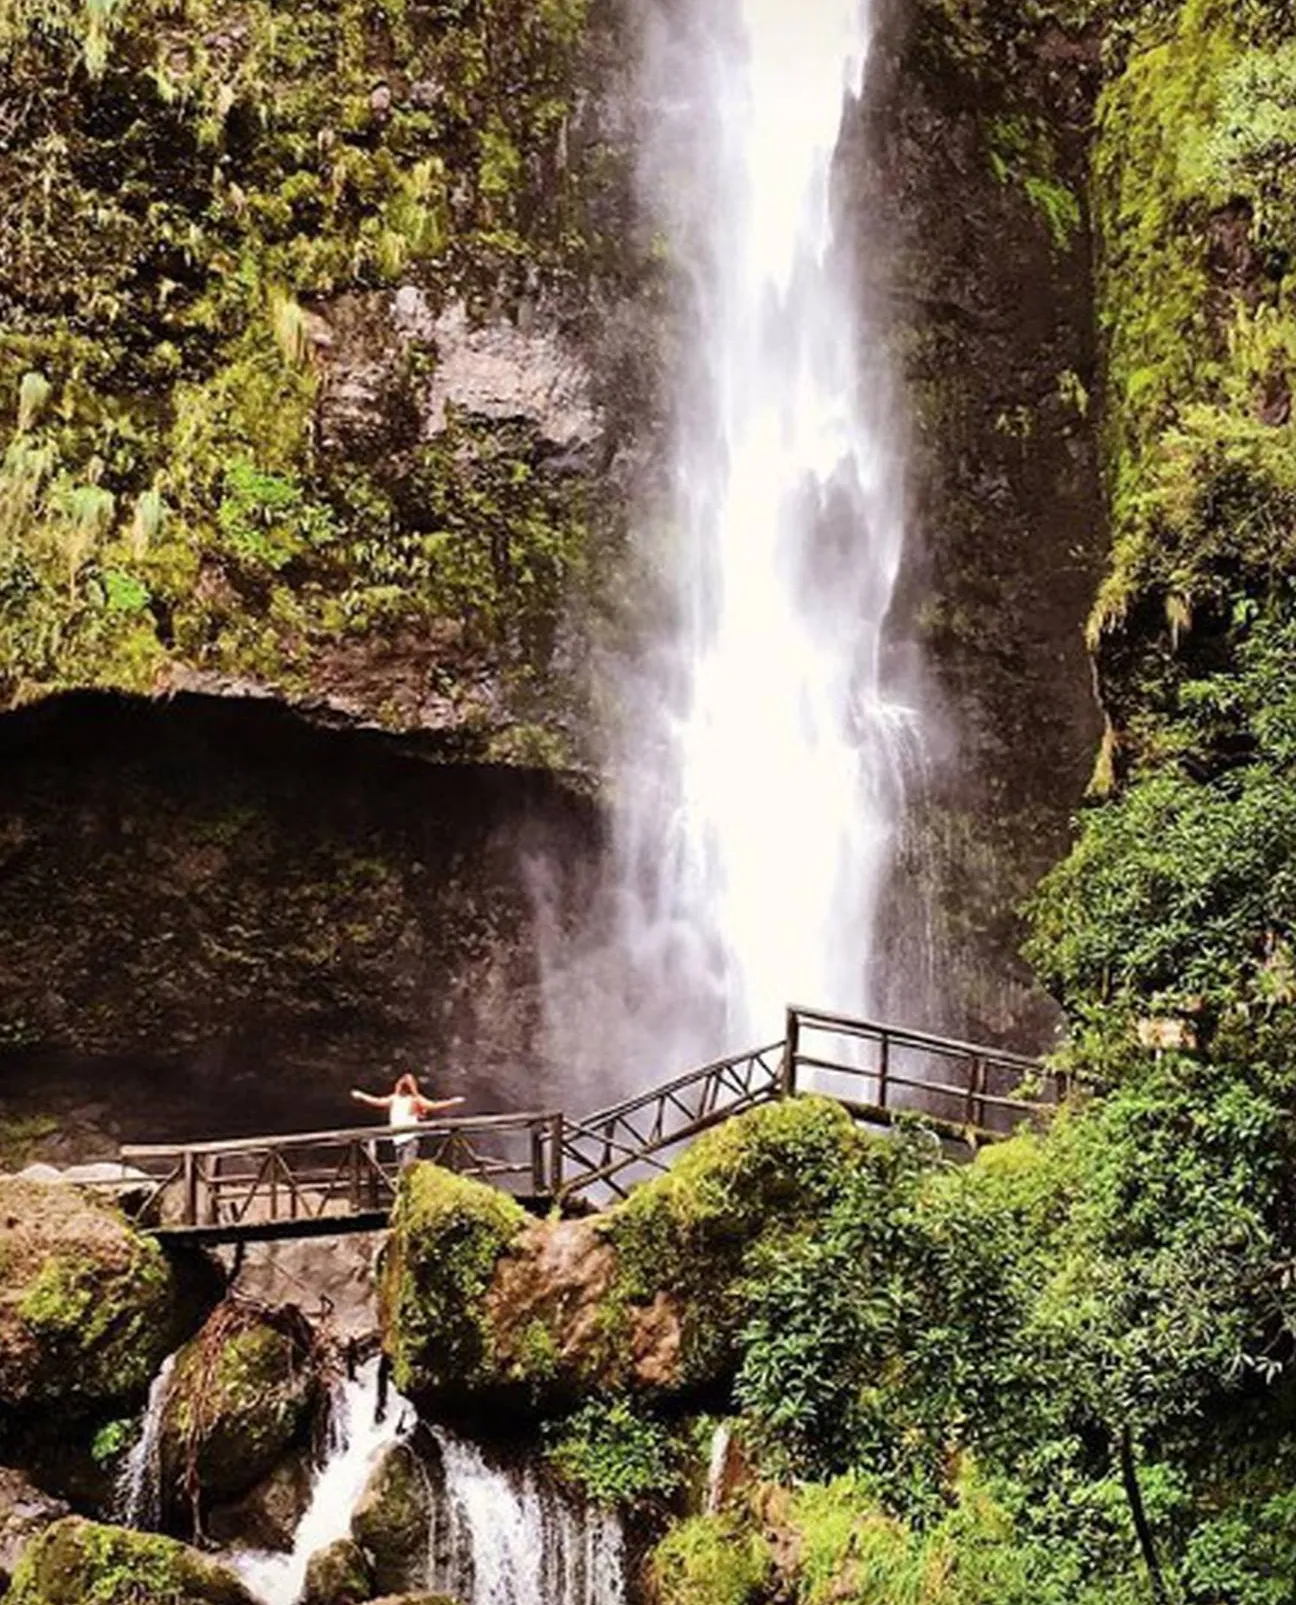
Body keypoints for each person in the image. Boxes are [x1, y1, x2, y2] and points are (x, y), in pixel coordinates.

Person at [350, 1073, 465, 1168]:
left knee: (407, 1170)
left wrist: (452, 1101)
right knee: (402, 1170)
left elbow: (433, 1105)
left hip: (409, 1139)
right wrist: (361, 1095)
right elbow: (377, 1101)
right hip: (398, 1140)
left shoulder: (414, 1099)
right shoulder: (394, 1099)